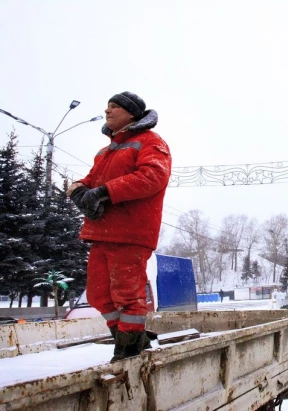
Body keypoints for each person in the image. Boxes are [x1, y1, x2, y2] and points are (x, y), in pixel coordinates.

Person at [68, 92, 172, 362]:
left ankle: (128, 351)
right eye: (107, 106)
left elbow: (153, 176)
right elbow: (90, 180)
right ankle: (131, 339)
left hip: (130, 233)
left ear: (132, 113)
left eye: (114, 107)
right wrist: (78, 189)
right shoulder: (106, 151)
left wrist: (104, 192)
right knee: (99, 294)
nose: (107, 111)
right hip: (101, 232)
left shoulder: (150, 142)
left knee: (127, 293)